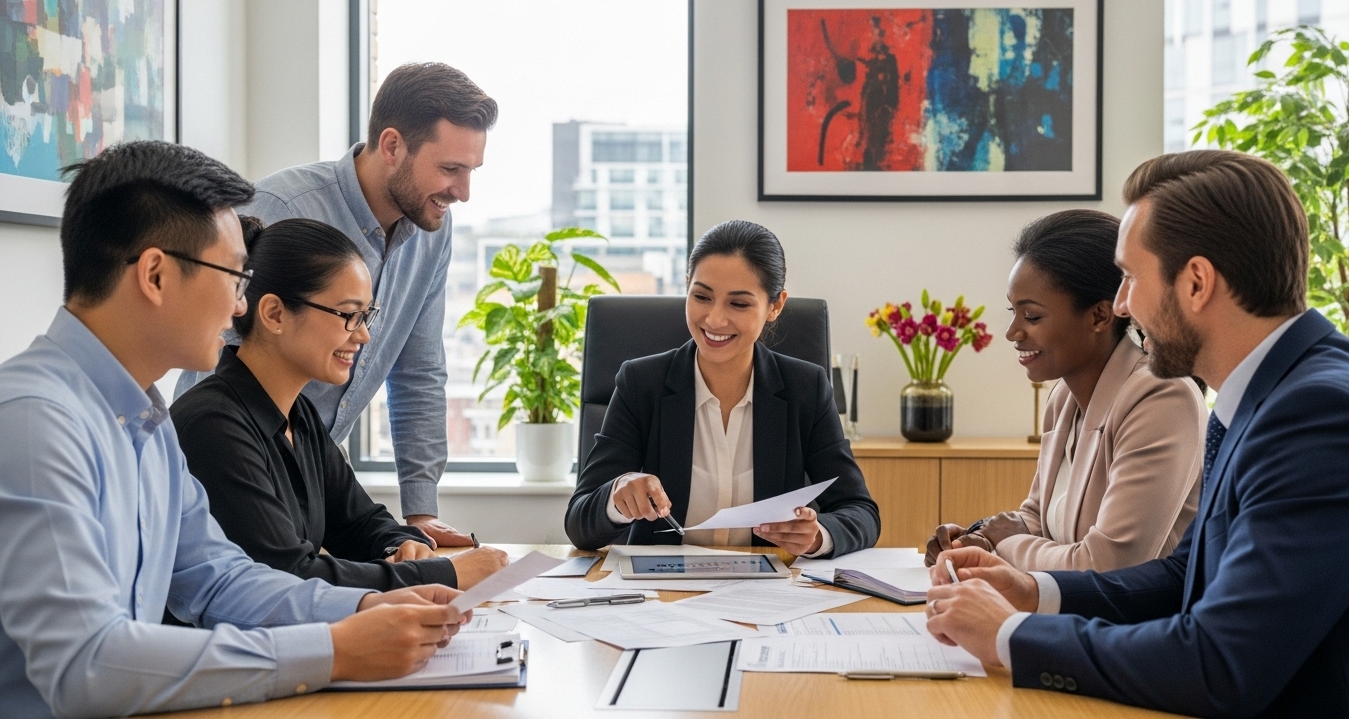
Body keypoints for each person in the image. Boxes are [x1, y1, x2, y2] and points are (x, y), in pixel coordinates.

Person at [925, 150, 1349, 717]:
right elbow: (1189, 574)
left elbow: (1221, 664)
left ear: (1197, 282)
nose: (1123, 304)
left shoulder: (1324, 415)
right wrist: (1035, 592)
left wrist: (1011, 636)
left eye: (1130, 277)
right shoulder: (1265, 393)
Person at [0, 142, 473, 719]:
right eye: (232, 276)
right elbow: (87, 666)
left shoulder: (144, 423)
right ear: (155, 274)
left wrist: (368, 605)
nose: (239, 305)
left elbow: (218, 579)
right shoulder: (36, 420)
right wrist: (332, 649)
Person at [177, 62, 496, 547]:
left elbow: (419, 370)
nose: (464, 192)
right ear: (392, 146)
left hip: (312, 470)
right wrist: (225, 455)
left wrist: (420, 512)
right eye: (450, 169)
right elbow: (215, 346)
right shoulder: (281, 210)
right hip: (224, 471)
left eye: (470, 171)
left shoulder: (433, 230)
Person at [172, 217, 509, 592]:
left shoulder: (299, 415)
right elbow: (288, 576)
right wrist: (445, 573)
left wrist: (401, 543)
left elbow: (359, 523)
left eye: (366, 315)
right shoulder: (213, 426)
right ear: (275, 314)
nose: (363, 335)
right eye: (349, 315)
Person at [566, 220, 880, 557]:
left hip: (763, 593)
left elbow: (861, 512)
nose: (715, 320)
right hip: (662, 588)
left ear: (775, 306)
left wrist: (819, 536)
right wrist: (617, 497)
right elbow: (579, 521)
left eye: (739, 304)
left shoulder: (806, 389)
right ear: (686, 287)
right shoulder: (642, 383)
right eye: (702, 296)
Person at [923, 209, 1205, 572]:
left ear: (1100, 316)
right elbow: (1039, 521)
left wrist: (1006, 541)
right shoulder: (1064, 398)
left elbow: (1109, 564)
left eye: (1032, 316)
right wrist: (978, 541)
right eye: (1013, 311)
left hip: (1136, 624)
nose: (1012, 332)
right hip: (1071, 616)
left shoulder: (1162, 396)